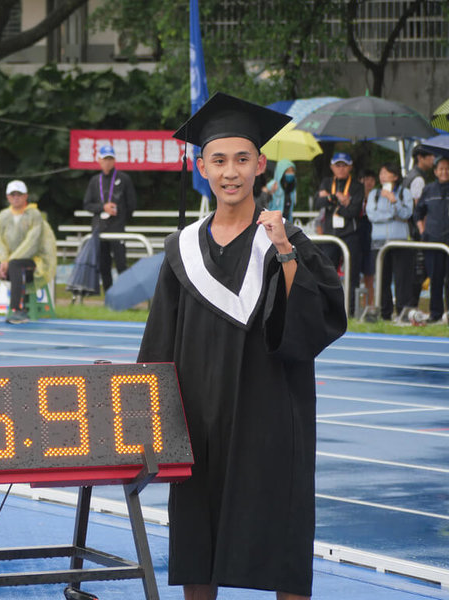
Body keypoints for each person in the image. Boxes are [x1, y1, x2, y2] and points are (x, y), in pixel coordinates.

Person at [137, 92, 346, 600]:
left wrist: (284, 252)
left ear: (260, 165)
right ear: (201, 167)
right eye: (219, 160)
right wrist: (150, 419)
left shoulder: (286, 241)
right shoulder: (181, 250)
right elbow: (159, 342)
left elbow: (319, 322)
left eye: (242, 159)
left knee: (281, 531)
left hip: (270, 417)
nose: (231, 171)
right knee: (196, 538)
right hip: (199, 420)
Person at [0, 180, 56, 324]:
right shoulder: (3, 215)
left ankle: (18, 310)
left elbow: (32, 243)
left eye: (19, 194)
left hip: (33, 263)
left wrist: (9, 262)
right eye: (13, 194)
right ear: (8, 197)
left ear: (26, 196)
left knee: (17, 265)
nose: (16, 197)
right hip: (8, 263)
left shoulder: (34, 215)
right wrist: (3, 260)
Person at [315, 152, 364, 316]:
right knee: (327, 273)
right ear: (332, 167)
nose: (341, 168)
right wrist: (335, 198)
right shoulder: (327, 182)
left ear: (350, 167)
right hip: (330, 235)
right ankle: (327, 309)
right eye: (338, 165)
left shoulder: (357, 185)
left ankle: (350, 310)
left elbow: (353, 211)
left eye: (344, 165)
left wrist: (336, 204)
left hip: (350, 233)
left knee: (352, 273)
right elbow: (318, 202)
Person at [83, 144, 137, 290]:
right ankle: (108, 296)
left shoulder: (124, 179)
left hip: (117, 228)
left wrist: (120, 214)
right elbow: (87, 204)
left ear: (114, 160)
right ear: (99, 160)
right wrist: (103, 207)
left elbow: (132, 204)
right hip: (100, 228)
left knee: (121, 264)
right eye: (105, 159)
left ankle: (124, 295)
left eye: (110, 159)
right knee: (103, 265)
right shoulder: (95, 181)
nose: (107, 162)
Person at [365, 163, 413, 320]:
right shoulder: (374, 194)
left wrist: (394, 201)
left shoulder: (404, 192)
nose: (382, 176)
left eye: (386, 173)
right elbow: (372, 215)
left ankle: (402, 312)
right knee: (382, 279)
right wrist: (392, 215)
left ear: (395, 176)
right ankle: (385, 313)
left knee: (401, 278)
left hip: (399, 241)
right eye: (381, 173)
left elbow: (407, 213)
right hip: (378, 242)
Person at [414, 155, 449, 322]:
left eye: (447, 168)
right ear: (435, 171)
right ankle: (435, 314)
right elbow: (418, 213)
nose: (444, 172)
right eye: (441, 168)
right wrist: (423, 232)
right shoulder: (428, 190)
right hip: (433, 240)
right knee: (435, 278)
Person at [403, 145, 435, 308]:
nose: (433, 160)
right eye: (430, 156)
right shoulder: (418, 179)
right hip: (416, 230)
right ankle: (412, 304)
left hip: (409, 228)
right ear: (420, 158)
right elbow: (419, 207)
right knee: (419, 269)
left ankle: (410, 304)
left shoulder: (410, 175)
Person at [358, 168, 377, 306]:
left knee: (369, 274)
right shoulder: (355, 196)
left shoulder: (377, 197)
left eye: (371, 179)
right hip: (357, 237)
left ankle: (369, 303)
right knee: (352, 274)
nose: (368, 182)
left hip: (371, 236)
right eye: (365, 179)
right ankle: (353, 304)